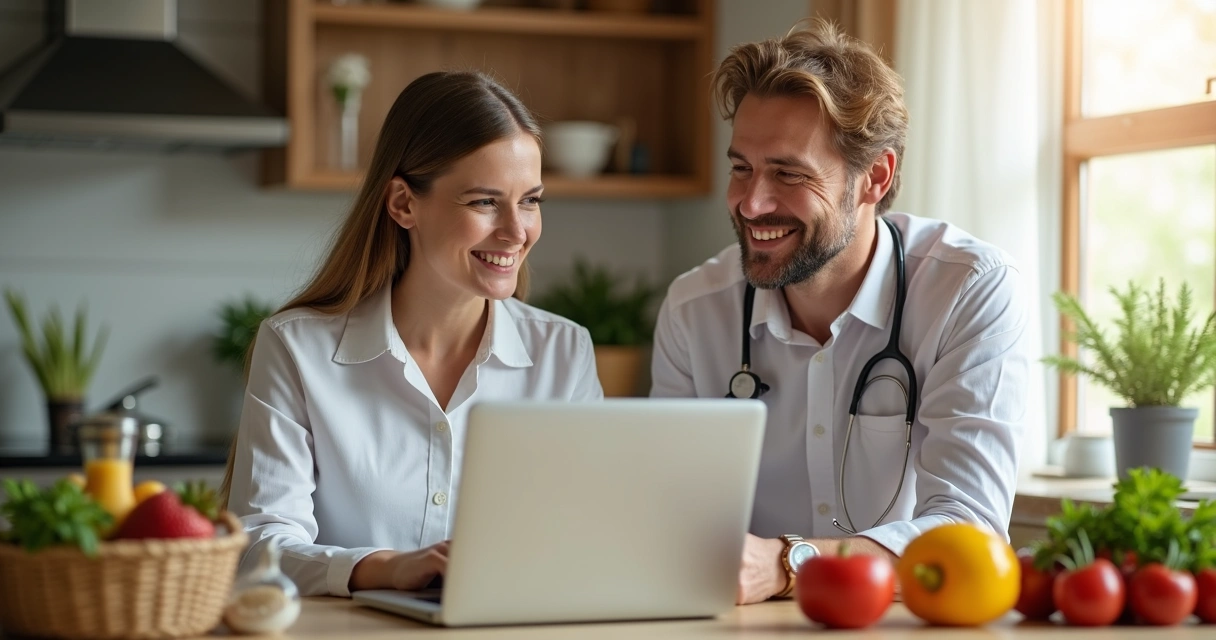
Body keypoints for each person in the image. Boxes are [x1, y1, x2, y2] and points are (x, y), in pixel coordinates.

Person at [650, 19, 1029, 605]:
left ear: (874, 177)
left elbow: (969, 530)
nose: (751, 202)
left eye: (788, 173)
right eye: (741, 168)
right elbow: (666, 515)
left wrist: (789, 563)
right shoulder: (695, 310)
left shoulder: (967, 291)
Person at [221, 71, 603, 598]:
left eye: (531, 200)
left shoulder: (563, 353)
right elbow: (258, 547)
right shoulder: (296, 348)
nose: (518, 231)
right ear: (403, 204)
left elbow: (588, 537)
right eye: (484, 202)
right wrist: (386, 569)